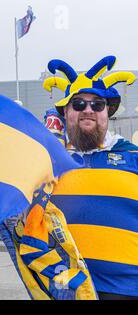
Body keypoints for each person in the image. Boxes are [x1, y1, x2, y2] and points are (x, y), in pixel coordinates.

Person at [42, 56, 138, 299]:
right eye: (78, 103)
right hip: (65, 290)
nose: (88, 110)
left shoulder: (132, 156)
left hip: (127, 291)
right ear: (65, 111)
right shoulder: (47, 163)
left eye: (97, 105)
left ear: (108, 113)